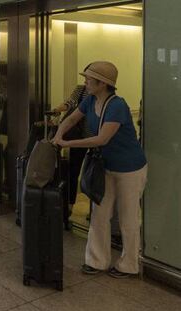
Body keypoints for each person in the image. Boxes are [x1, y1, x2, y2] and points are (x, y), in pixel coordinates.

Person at [52, 61, 147, 278]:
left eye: (89, 78)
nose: (85, 81)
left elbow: (102, 139)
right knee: (99, 213)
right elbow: (72, 118)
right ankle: (97, 260)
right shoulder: (90, 100)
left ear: (102, 83)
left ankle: (129, 264)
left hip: (129, 169)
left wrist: (67, 144)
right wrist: (59, 133)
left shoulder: (117, 106)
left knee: (127, 217)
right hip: (106, 166)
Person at [53, 82, 90, 215]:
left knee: (84, 171)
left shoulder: (101, 96)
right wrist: (57, 109)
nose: (86, 81)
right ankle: (67, 205)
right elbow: (70, 103)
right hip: (76, 134)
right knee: (71, 169)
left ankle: (73, 205)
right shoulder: (80, 89)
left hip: (90, 136)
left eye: (88, 78)